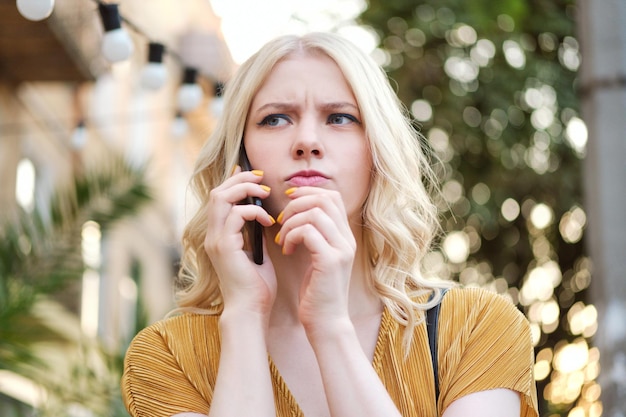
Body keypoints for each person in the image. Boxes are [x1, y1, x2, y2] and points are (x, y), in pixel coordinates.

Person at [121, 32, 538, 417]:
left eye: (339, 118)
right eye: (275, 119)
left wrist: (329, 326)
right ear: (238, 159)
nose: (307, 141)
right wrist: (245, 314)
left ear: (377, 154)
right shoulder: (167, 356)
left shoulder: (477, 330)